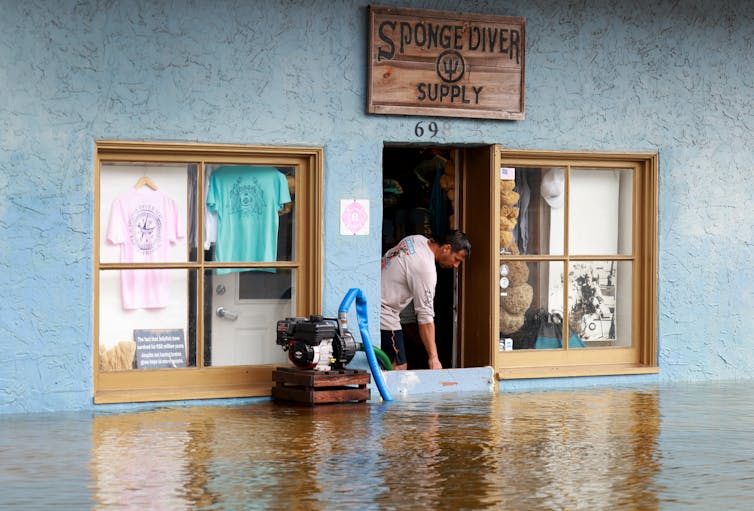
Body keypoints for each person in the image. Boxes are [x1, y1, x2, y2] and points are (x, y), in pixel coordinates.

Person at [380, 230, 471, 370]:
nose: (456, 265)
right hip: (384, 311)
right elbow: (425, 317)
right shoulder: (425, 269)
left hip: (375, 301)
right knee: (398, 367)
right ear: (446, 248)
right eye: (457, 259)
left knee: (386, 364)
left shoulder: (417, 239)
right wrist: (434, 358)